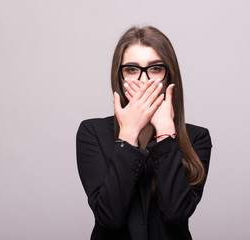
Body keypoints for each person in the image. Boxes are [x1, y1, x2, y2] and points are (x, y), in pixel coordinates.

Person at [76, 26, 212, 240]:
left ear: (169, 75)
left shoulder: (197, 138)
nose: (144, 79)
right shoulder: (92, 132)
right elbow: (109, 218)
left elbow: (176, 213)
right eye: (131, 69)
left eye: (155, 68)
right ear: (119, 77)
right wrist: (128, 134)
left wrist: (166, 132)